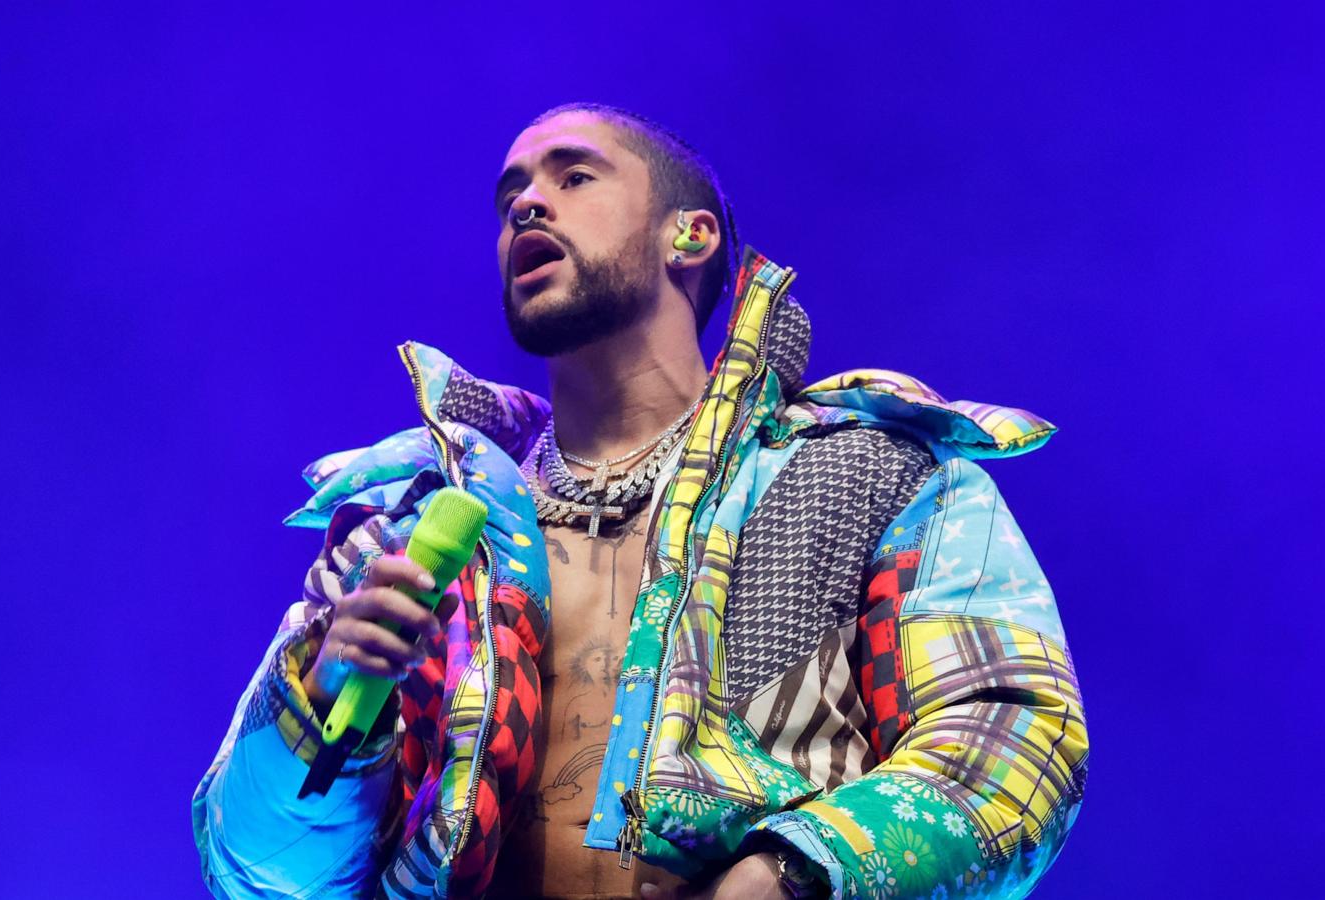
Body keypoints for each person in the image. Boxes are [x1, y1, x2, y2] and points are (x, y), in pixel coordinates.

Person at [193, 103, 1088, 899]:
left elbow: (1016, 739)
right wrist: (323, 694)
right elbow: (261, 874)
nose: (526, 206)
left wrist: (790, 874)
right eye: (511, 194)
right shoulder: (415, 521)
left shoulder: (871, 474)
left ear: (688, 236)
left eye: (573, 175)